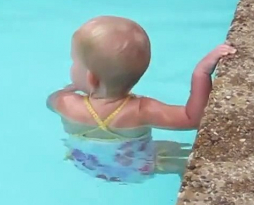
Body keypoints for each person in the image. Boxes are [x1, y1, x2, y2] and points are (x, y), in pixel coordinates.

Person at [46, 16, 236, 183]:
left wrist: (68, 90)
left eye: (74, 62)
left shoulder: (65, 103)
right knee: (184, 155)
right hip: (136, 169)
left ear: (91, 78)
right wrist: (201, 74)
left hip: (87, 164)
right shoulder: (141, 110)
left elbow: (50, 101)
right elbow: (193, 119)